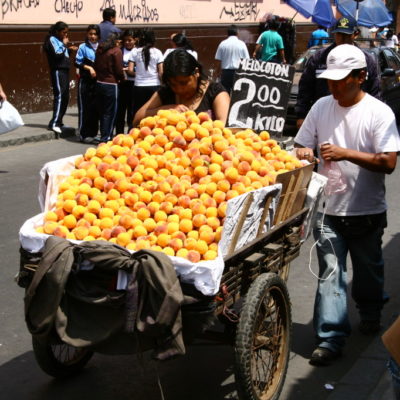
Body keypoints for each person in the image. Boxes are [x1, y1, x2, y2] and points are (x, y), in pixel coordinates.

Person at [294, 44, 400, 366]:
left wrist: (345, 153)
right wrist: (303, 154)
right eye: (330, 80)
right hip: (327, 210)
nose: (334, 86)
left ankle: (370, 311)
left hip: (367, 210)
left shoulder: (379, 113)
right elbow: (302, 144)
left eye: (342, 80)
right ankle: (329, 338)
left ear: (361, 77)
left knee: (368, 271)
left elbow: (389, 162)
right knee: (330, 273)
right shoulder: (321, 107)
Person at [295, 17, 381, 129]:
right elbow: (305, 88)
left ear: (356, 34)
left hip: (356, 122)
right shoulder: (319, 58)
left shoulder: (367, 61)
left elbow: (375, 92)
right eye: (339, 34)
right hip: (323, 119)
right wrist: (301, 116)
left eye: (346, 35)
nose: (342, 39)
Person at [133, 48, 230, 126]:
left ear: (196, 72)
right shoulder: (166, 92)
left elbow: (226, 126)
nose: (179, 89)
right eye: (173, 84)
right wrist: (168, 109)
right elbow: (137, 119)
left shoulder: (215, 92)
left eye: (184, 83)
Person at [43, 21, 78, 135]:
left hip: (64, 70)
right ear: (57, 31)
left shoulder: (59, 41)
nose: (66, 35)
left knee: (65, 96)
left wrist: (69, 49)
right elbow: (57, 55)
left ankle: (59, 121)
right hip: (58, 70)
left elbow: (62, 53)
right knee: (60, 96)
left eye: (67, 33)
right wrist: (64, 45)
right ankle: (54, 123)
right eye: (64, 32)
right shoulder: (52, 39)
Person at [94, 32, 124, 143]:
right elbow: (119, 70)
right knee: (110, 113)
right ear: (117, 41)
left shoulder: (100, 50)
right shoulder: (116, 51)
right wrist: (122, 78)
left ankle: (103, 134)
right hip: (111, 84)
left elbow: (95, 64)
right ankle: (106, 137)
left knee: (102, 112)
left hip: (99, 83)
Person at [128, 29, 164, 122]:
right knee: (154, 112)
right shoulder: (157, 52)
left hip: (139, 86)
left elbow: (130, 70)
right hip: (154, 85)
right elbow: (161, 72)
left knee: (138, 111)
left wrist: (139, 74)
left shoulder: (134, 52)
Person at [75, 24, 100, 143]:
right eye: (90, 34)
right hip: (85, 82)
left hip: (97, 83)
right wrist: (89, 68)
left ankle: (93, 133)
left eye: (95, 34)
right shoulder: (83, 47)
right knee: (84, 107)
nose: (93, 36)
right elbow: (77, 63)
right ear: (87, 34)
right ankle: (83, 134)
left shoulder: (101, 47)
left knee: (95, 108)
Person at [115, 29, 139, 134]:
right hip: (122, 83)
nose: (127, 43)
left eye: (130, 40)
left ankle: (131, 132)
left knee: (132, 110)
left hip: (134, 83)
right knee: (120, 109)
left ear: (135, 40)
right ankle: (119, 133)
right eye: (125, 41)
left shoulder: (138, 52)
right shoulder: (119, 51)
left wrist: (131, 70)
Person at [214, 24, 250, 94]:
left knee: (225, 93)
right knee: (237, 94)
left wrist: (217, 72)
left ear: (228, 33)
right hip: (238, 72)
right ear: (237, 33)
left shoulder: (222, 44)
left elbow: (218, 60)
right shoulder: (242, 44)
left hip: (226, 73)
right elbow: (247, 60)